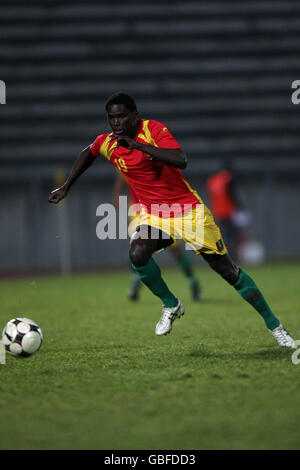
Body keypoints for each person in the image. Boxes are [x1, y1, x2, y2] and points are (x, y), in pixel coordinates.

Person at [49, 92, 295, 348]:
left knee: (228, 272)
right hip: (155, 215)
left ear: (134, 115)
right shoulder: (109, 142)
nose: (116, 122)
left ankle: (275, 326)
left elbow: (181, 159)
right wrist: (67, 186)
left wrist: (140, 147)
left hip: (189, 212)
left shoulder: (153, 130)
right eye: (111, 117)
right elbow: (89, 152)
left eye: (121, 116)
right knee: (137, 253)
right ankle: (171, 304)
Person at [112, 171, 201, 301]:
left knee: (175, 250)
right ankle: (135, 281)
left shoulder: (157, 163)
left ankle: (192, 281)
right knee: (137, 248)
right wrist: (117, 199)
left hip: (161, 210)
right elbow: (118, 189)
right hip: (139, 212)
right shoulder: (126, 166)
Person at [206, 161, 251, 262]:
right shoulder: (228, 179)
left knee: (224, 236)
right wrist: (241, 207)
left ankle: (225, 257)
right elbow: (233, 195)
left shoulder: (213, 180)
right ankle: (232, 258)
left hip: (218, 212)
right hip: (229, 212)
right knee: (234, 236)